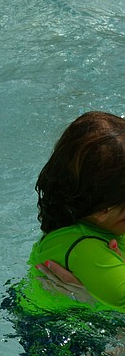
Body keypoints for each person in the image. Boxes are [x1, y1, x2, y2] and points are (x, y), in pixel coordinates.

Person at [23, 111, 125, 312]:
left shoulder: (95, 222)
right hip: (58, 336)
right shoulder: (86, 251)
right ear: (104, 209)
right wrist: (93, 304)